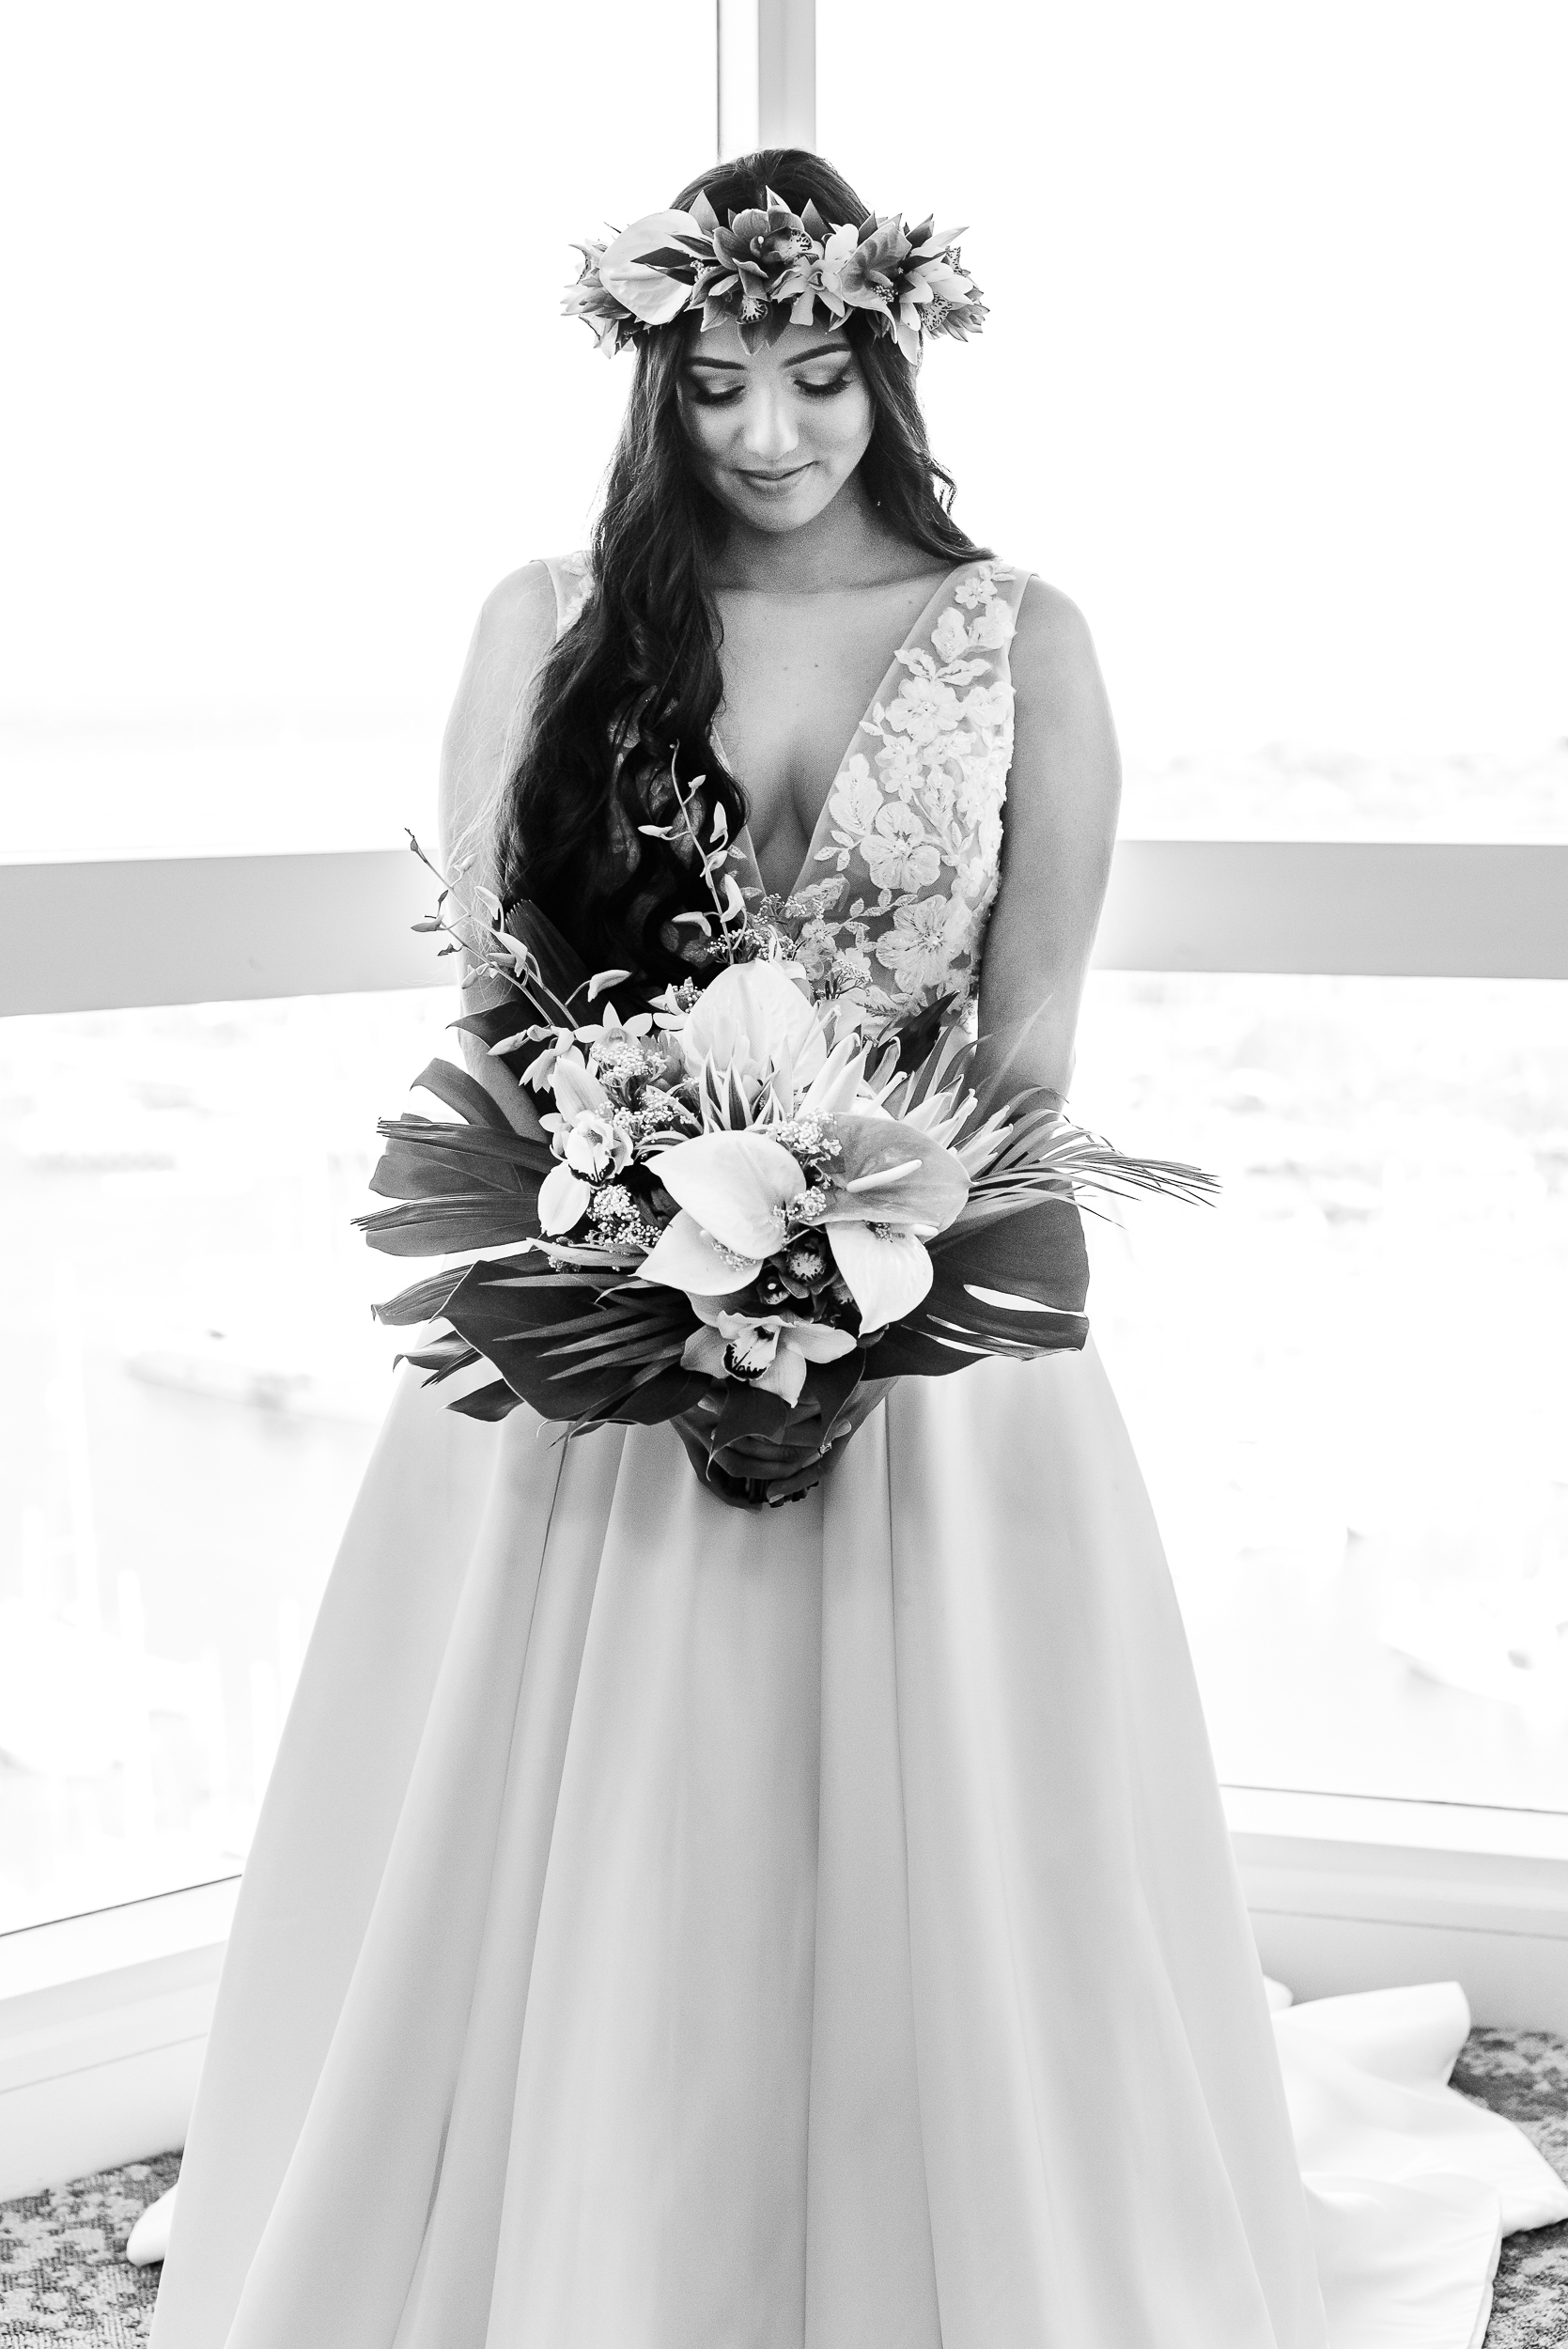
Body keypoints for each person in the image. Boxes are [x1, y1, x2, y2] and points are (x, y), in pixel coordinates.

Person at [146, 148, 1563, 2349]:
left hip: (929, 1308)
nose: (771, 433)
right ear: (656, 381)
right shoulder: (548, 615)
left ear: (884, 363)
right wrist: (645, 1267)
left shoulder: (1026, 633)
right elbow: (491, 998)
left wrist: (852, 1292)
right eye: (716, 381)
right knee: (598, 1830)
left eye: (815, 375)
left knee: (956, 1827)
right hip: (601, 1296)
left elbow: (1029, 1030)